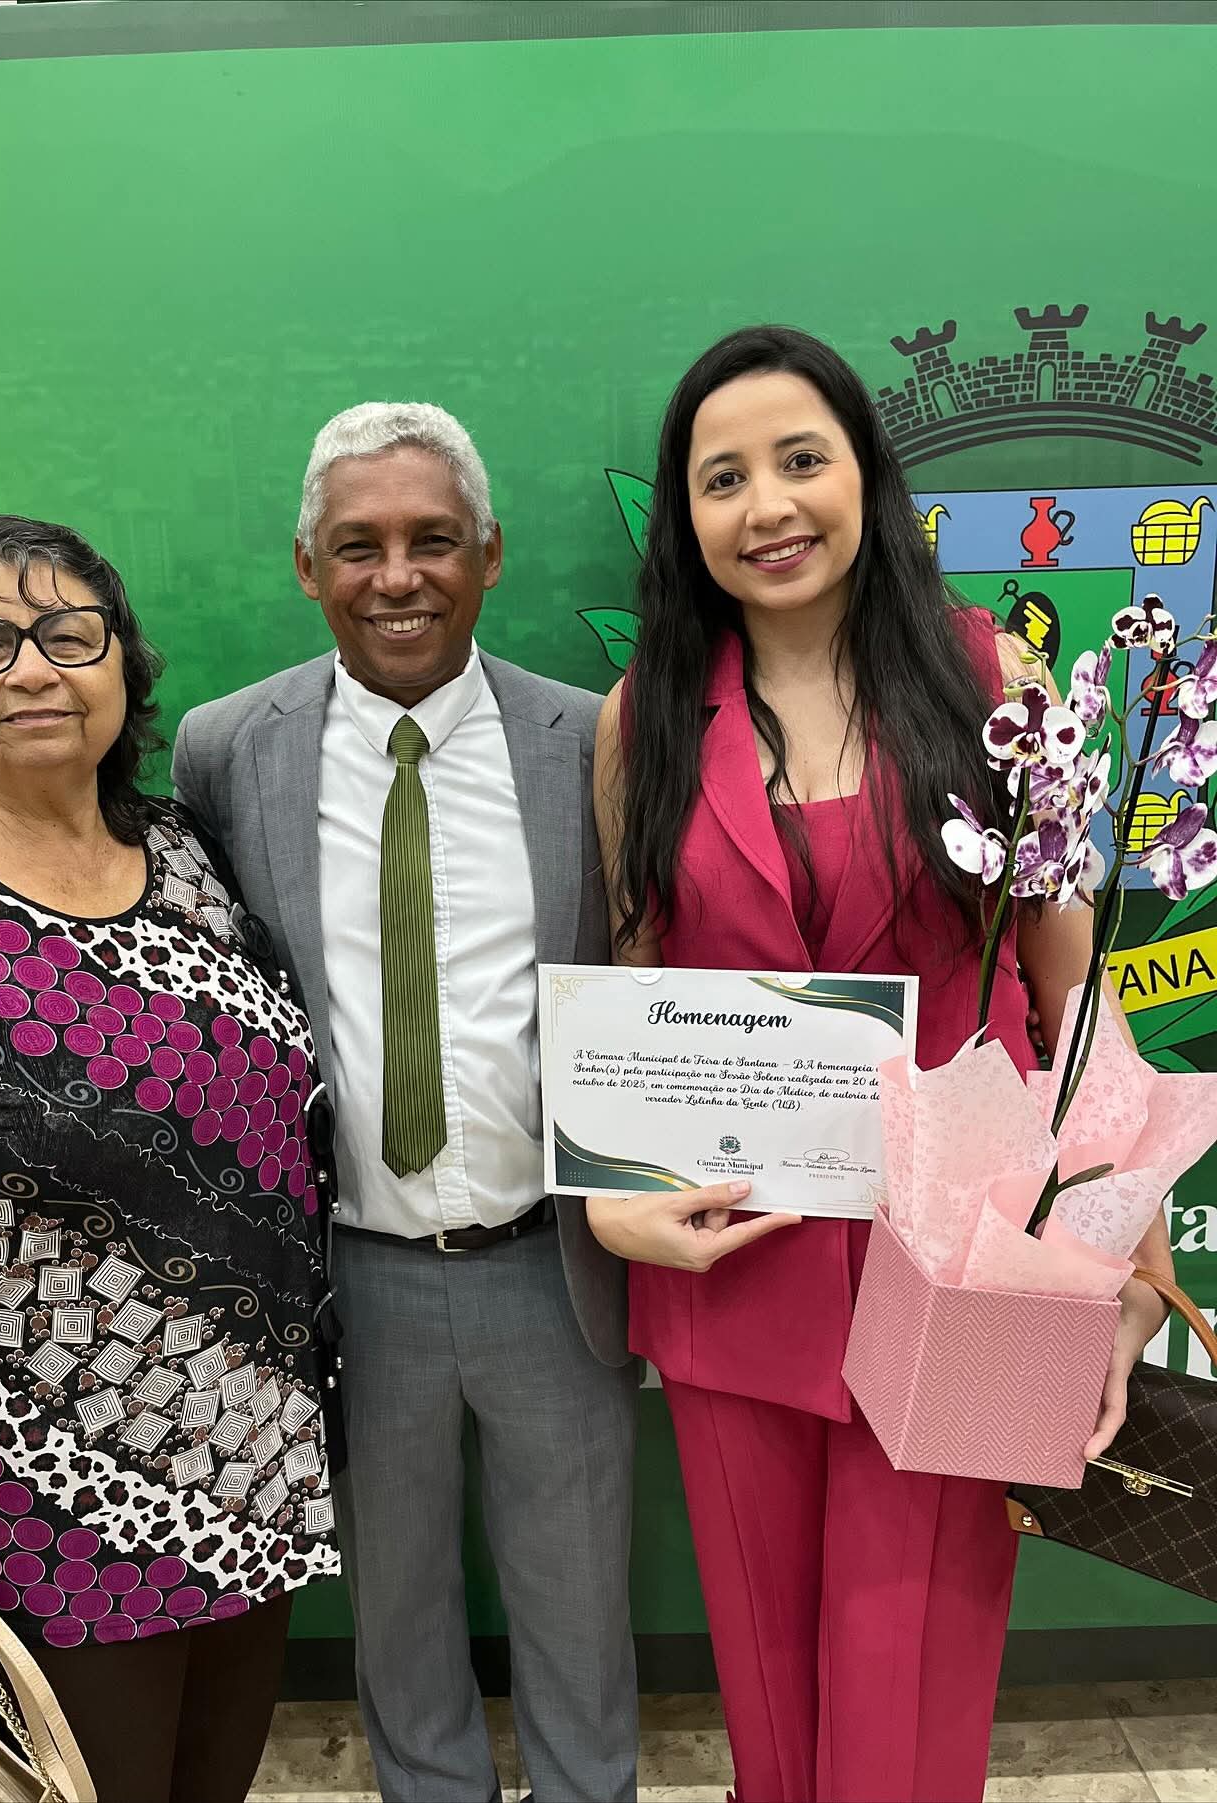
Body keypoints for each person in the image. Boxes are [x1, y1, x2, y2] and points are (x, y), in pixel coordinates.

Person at [588, 327, 1176, 1803]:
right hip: (738, 1254)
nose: (768, 505)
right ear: (686, 516)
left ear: (866, 471)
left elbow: (1072, 981)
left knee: (913, 1678)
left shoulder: (990, 678)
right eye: (724, 477)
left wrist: (1133, 1249)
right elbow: (637, 989)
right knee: (769, 1687)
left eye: (802, 459)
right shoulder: (643, 717)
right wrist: (612, 1198)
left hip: (972, 1260)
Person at [0, 516, 340, 1803]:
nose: (32, 669)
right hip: (39, 1514)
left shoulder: (191, 858)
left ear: (122, 664)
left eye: (69, 635)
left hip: (253, 1475)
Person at [174, 403, 639, 1803]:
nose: (398, 577)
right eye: (358, 545)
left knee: (581, 1609)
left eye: (433, 540)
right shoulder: (225, 750)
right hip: (348, 1277)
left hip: (553, 1267)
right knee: (397, 1614)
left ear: (489, 554)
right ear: (306, 565)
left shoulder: (591, 740)